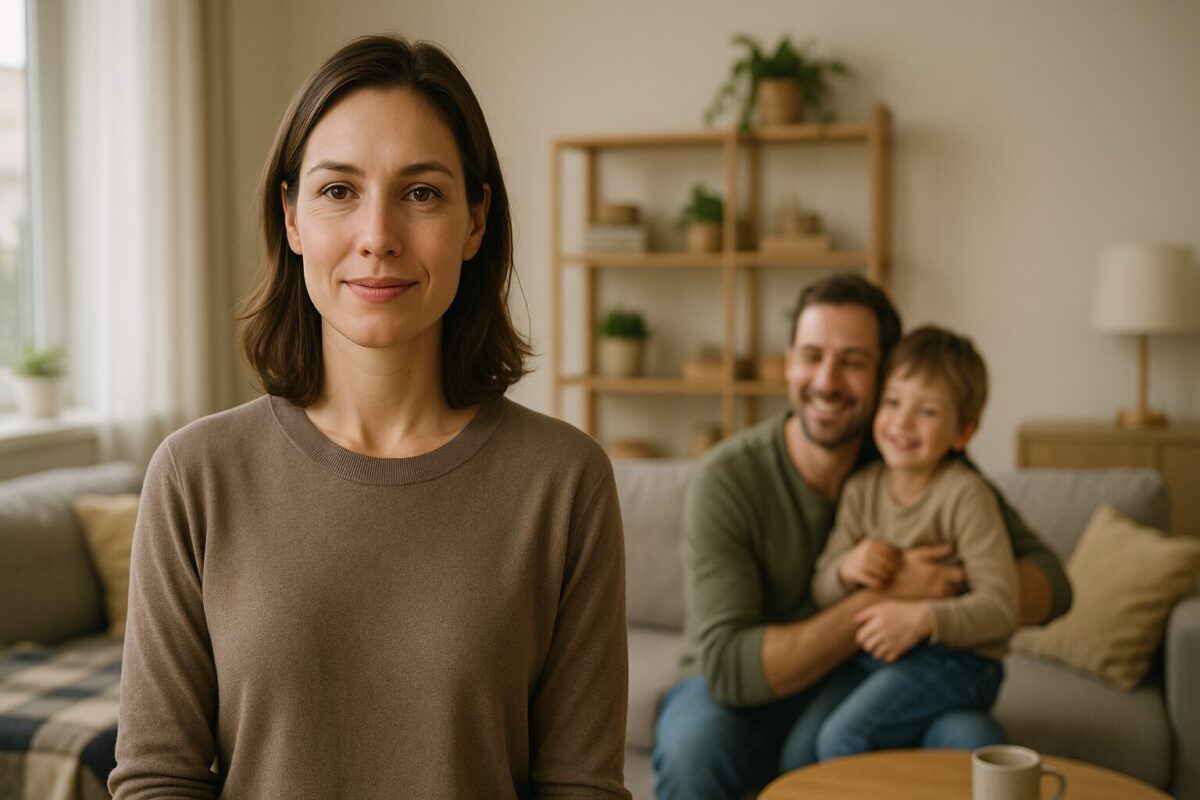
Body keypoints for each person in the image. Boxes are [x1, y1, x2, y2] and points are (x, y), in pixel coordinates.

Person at [110, 35, 630, 799]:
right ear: (291, 219)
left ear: (476, 221)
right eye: (338, 191)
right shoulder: (195, 476)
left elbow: (581, 788)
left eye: (421, 193)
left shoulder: (564, 483)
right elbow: (157, 781)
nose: (378, 236)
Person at [651, 274, 1071, 800]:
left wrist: (946, 588)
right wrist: (891, 592)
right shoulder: (728, 478)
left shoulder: (911, 456)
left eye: (852, 361)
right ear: (789, 363)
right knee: (695, 751)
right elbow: (732, 668)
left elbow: (1052, 582)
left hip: (877, 673)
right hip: (741, 693)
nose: (826, 381)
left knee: (972, 738)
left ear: (883, 374)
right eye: (811, 355)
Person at [808, 325, 1017, 759]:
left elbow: (1002, 607)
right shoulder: (862, 489)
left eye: (927, 412)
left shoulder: (965, 495)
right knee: (799, 754)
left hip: (957, 662)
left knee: (840, 739)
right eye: (893, 401)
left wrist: (922, 619)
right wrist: (847, 567)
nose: (902, 421)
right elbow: (821, 586)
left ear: (962, 432)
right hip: (872, 661)